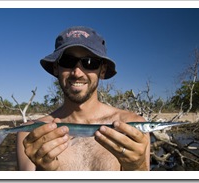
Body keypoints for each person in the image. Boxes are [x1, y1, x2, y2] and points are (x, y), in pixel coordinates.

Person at [16, 26, 150, 171]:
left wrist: (138, 168)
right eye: (67, 61)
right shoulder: (30, 133)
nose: (77, 72)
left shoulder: (134, 127)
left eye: (90, 62)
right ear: (56, 68)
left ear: (102, 70)